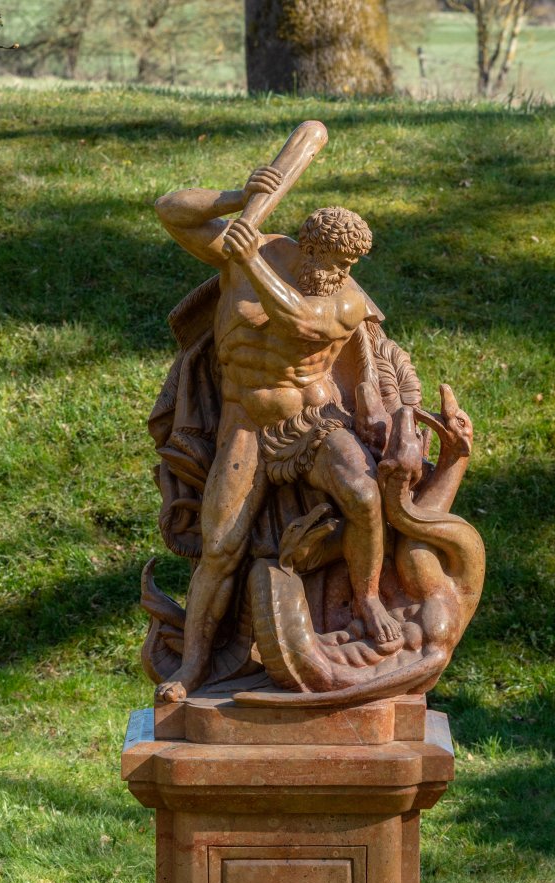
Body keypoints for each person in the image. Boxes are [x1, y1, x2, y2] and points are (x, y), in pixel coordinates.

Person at [154, 165, 402, 702]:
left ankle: (368, 599)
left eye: (350, 264)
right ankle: (193, 666)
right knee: (219, 546)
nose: (342, 272)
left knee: (363, 495)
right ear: (308, 248)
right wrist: (239, 195)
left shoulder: (345, 298)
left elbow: (301, 324)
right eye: (335, 261)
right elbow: (170, 210)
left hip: (314, 419)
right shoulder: (254, 249)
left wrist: (246, 260)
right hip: (243, 425)